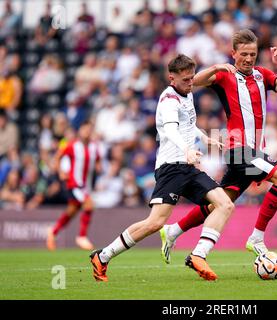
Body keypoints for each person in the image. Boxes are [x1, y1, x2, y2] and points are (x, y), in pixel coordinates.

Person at [89, 54, 234, 282]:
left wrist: (205, 138)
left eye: (192, 78)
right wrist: (187, 149)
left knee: (225, 204)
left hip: (188, 167)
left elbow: (188, 124)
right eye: (185, 79)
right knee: (155, 223)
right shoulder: (169, 101)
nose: (190, 82)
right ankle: (103, 256)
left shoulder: (187, 94)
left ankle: (198, 255)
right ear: (171, 78)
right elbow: (171, 130)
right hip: (171, 168)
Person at [160, 29, 277, 263]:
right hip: (238, 151)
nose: (248, 58)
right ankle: (256, 237)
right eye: (244, 53)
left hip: (253, 152)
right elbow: (194, 82)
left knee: (220, 202)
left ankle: (173, 230)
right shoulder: (226, 76)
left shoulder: (263, 75)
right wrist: (217, 67)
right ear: (233, 53)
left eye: (252, 54)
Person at [46, 121, 101, 251]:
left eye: (89, 129)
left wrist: (98, 168)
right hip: (75, 184)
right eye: (84, 129)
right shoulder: (72, 146)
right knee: (89, 204)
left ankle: (53, 232)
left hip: (86, 185)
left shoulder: (94, 147)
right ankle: (81, 236)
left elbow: (97, 161)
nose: (86, 132)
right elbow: (58, 157)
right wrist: (60, 171)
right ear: (80, 131)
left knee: (71, 211)